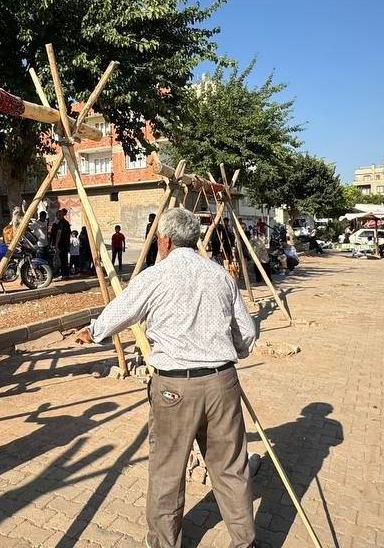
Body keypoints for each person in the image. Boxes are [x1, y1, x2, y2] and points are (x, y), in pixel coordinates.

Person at [72, 208, 258, 548]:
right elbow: (246, 333)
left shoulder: (155, 276)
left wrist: (93, 331)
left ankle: (164, 543)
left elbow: (122, 311)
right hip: (222, 382)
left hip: (174, 387)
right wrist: (228, 354)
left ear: (165, 240)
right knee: (231, 467)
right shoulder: (219, 275)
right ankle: (244, 542)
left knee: (167, 470)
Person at [50, 208, 72, 278]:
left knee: (62, 259)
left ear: (61, 215)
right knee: (65, 259)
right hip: (66, 243)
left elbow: (59, 234)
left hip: (61, 244)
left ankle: (64, 274)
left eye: (58, 215)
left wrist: (56, 244)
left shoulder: (61, 223)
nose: (57, 216)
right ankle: (66, 274)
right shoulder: (66, 223)